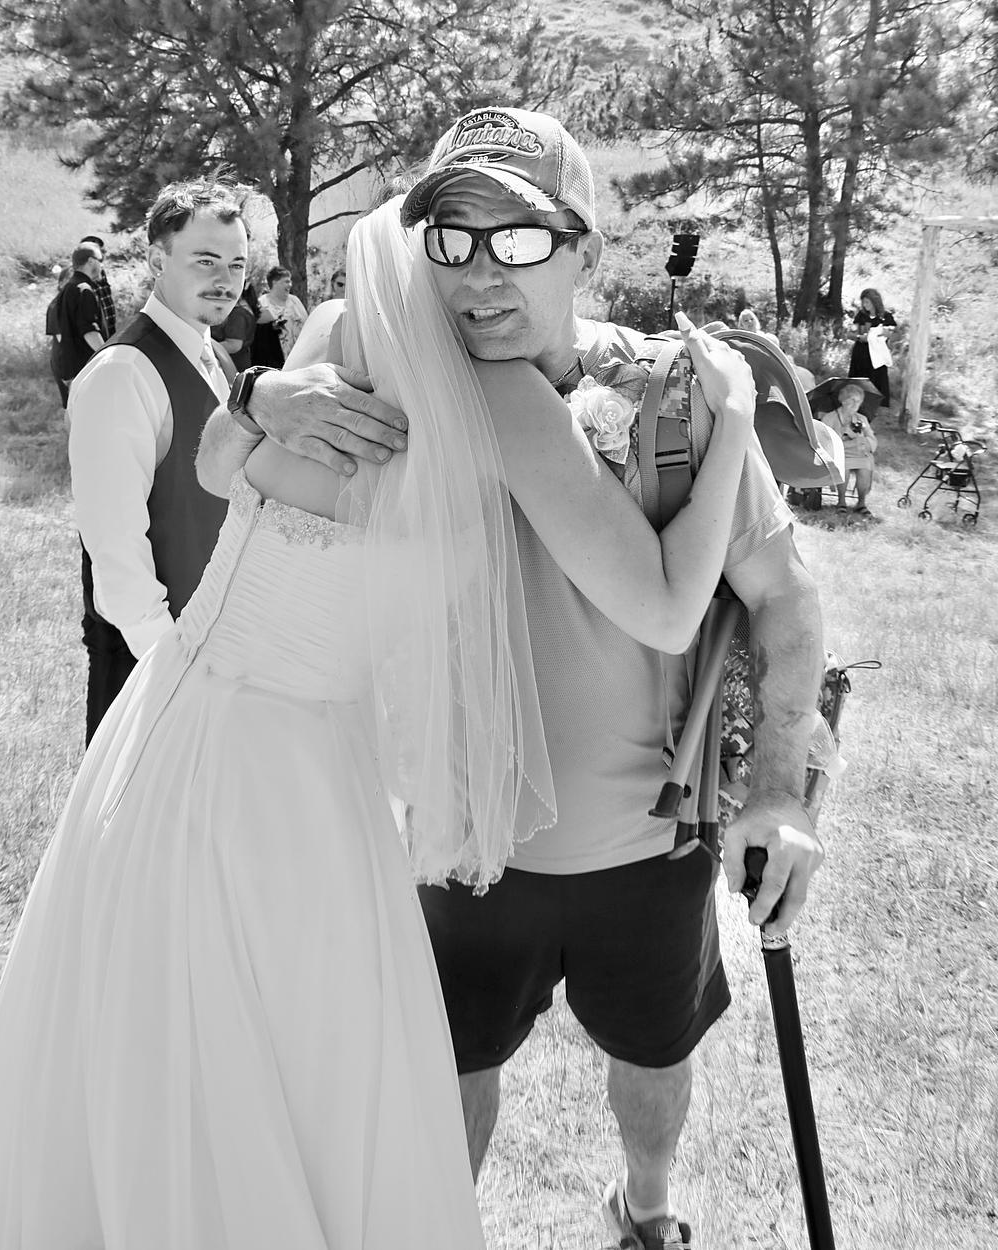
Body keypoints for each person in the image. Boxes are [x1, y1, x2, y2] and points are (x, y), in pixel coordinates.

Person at [0, 190, 760, 1247]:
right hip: (290, 771)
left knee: (162, 1017)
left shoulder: (326, 341)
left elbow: (218, 473)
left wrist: (257, 396)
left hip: (173, 716)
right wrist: (736, 420)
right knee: (287, 1054)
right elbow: (672, 607)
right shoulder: (495, 404)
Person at [195, 106, 826, 1250]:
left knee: (654, 1059)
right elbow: (228, 478)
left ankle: (644, 1206)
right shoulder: (385, 382)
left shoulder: (677, 395)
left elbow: (781, 592)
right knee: (446, 1068)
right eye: (454, 237)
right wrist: (257, 394)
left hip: (648, 843)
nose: (482, 271)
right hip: (454, 835)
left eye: (522, 237)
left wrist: (780, 792)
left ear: (586, 250)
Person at [67, 176, 243, 744]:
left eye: (237, 265)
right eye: (206, 260)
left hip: (220, 654)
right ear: (156, 260)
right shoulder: (122, 373)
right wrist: (169, 664)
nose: (225, 280)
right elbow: (115, 549)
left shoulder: (218, 361)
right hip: (153, 663)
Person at [819, 381, 878, 518]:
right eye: (852, 401)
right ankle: (841, 502)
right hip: (839, 454)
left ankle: (861, 503)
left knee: (865, 468)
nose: (856, 405)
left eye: (859, 401)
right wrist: (841, 436)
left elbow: (872, 439)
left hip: (858, 453)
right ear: (843, 401)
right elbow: (823, 440)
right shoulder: (830, 418)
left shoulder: (861, 419)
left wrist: (863, 439)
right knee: (843, 466)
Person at [57, 243, 107, 391]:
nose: (102, 266)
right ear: (91, 261)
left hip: (72, 370)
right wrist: (108, 358)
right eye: (100, 260)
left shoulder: (68, 288)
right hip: (86, 372)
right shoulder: (84, 290)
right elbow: (89, 331)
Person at [847, 287, 896, 410]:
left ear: (875, 301)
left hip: (877, 355)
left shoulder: (886, 316)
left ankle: (876, 405)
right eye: (863, 302)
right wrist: (860, 337)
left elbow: (893, 333)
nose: (865, 305)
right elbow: (851, 333)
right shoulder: (861, 316)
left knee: (877, 379)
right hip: (861, 353)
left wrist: (883, 333)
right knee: (859, 379)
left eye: (867, 302)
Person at [258, 265, 308, 358]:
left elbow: (307, 325)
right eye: (286, 281)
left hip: (299, 355)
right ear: (275, 282)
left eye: (290, 281)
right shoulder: (262, 303)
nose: (290, 284)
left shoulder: (295, 301)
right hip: (273, 357)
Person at [79, 233, 118, 339]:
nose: (103, 254)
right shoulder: (81, 276)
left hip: (109, 327)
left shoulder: (101, 271)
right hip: (96, 331)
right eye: (100, 251)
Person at [45, 261, 72, 407]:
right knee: (71, 408)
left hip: (75, 362)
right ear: (61, 283)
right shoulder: (57, 306)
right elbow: (65, 341)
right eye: (69, 279)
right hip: (65, 363)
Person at [211, 282, 258, 370]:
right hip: (238, 361)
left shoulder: (237, 314)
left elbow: (233, 345)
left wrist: (207, 348)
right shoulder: (242, 310)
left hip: (230, 364)